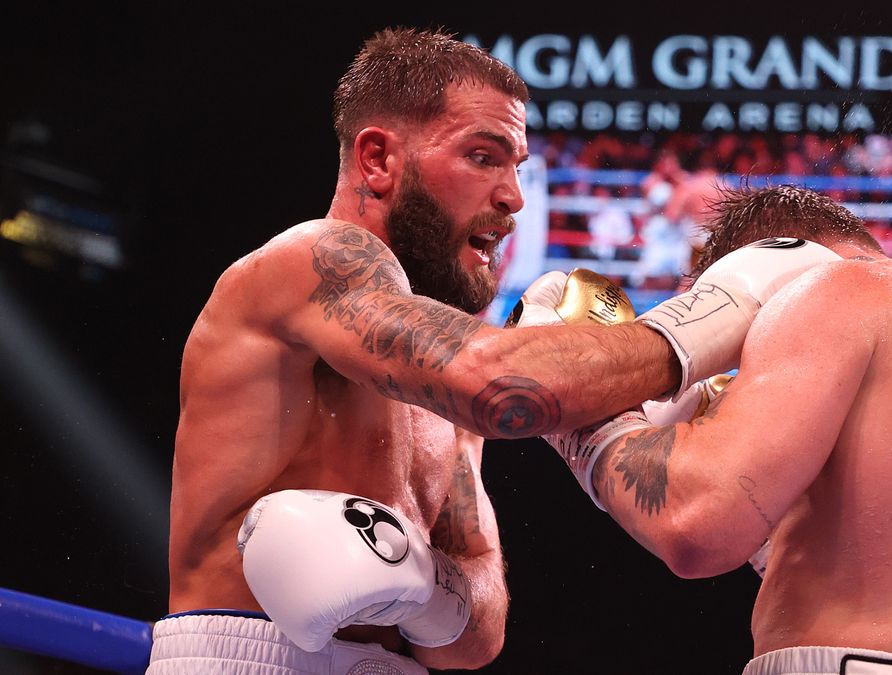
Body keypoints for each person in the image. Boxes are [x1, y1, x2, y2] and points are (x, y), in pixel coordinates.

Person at [150, 27, 816, 675]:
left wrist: (422, 583)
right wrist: (723, 310)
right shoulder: (311, 262)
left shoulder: (440, 375)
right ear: (379, 159)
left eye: (517, 165)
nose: (515, 196)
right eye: (483, 156)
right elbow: (498, 384)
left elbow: (474, 637)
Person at [543, 185, 892, 675]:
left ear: (761, 269)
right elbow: (888, 569)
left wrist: (576, 412)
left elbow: (695, 525)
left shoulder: (836, 290)